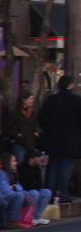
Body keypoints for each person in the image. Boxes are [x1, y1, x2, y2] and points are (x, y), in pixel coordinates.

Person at [38, 75, 81, 203]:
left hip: (52, 139)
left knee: (52, 166)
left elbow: (41, 118)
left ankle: (48, 193)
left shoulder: (51, 100)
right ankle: (63, 194)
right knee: (65, 167)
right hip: (70, 140)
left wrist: (48, 130)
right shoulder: (76, 100)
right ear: (70, 85)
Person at [1, 151, 51, 226]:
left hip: (26, 191)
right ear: (31, 159)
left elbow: (39, 183)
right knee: (34, 193)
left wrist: (14, 187)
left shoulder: (37, 168)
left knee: (46, 192)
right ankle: (31, 217)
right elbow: (22, 185)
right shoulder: (20, 168)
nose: (40, 159)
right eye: (38, 157)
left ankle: (37, 217)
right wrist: (17, 188)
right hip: (26, 192)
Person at [4, 91, 39, 164]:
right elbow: (6, 129)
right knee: (19, 164)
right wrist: (18, 134)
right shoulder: (14, 114)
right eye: (30, 99)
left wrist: (35, 132)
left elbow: (34, 125)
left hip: (30, 143)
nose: (32, 101)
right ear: (24, 100)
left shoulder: (32, 113)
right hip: (19, 144)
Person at [0, 152, 29, 228]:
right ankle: (12, 220)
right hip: (3, 197)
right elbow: (5, 191)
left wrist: (13, 187)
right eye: (13, 161)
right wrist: (15, 190)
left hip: (11, 194)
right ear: (7, 162)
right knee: (20, 195)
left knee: (27, 194)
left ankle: (27, 218)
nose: (16, 163)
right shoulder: (2, 173)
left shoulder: (13, 173)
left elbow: (20, 187)